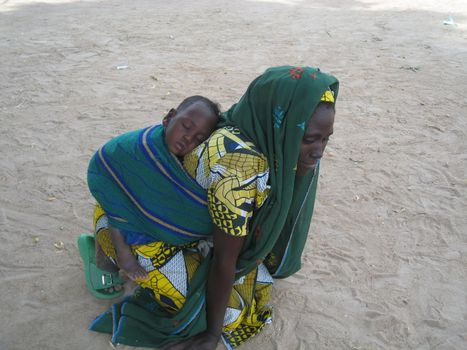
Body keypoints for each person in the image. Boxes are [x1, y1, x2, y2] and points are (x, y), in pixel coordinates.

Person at [84, 66, 338, 349]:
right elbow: (224, 261)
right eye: (309, 139)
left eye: (325, 138)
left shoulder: (246, 121)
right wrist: (211, 334)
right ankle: (105, 237)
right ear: (281, 123)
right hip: (149, 231)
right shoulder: (240, 170)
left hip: (193, 232)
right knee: (230, 315)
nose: (319, 151)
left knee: (255, 284)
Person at [78, 95, 220, 298]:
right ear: (169, 117)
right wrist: (124, 255)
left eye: (199, 138)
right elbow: (106, 170)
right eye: (186, 126)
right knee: (112, 220)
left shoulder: (193, 164)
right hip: (121, 224)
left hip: (161, 235)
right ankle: (103, 256)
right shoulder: (137, 150)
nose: (189, 138)